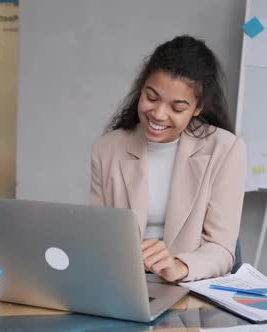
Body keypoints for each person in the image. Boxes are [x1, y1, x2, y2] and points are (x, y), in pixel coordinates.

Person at [91, 35, 246, 282]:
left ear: (198, 108)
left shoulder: (225, 149)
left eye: (177, 108)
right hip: (126, 283)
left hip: (191, 287)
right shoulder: (107, 149)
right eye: (151, 98)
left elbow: (221, 248)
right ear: (141, 88)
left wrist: (179, 266)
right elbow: (98, 236)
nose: (159, 114)